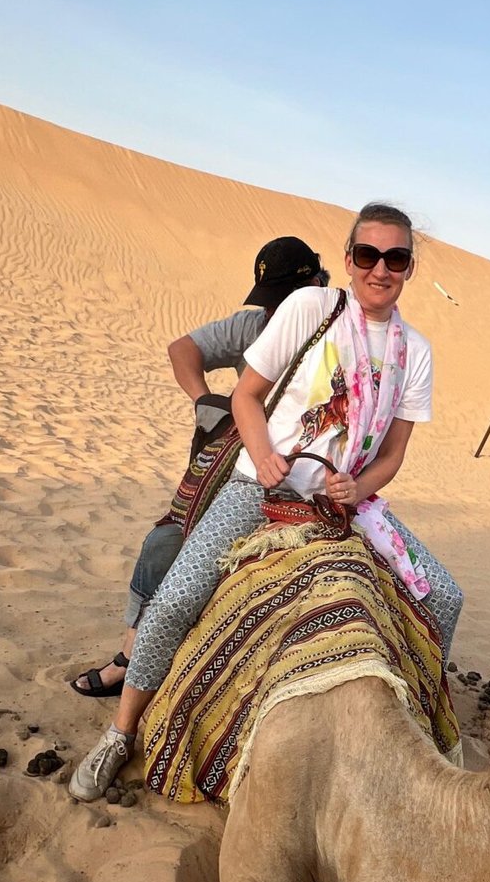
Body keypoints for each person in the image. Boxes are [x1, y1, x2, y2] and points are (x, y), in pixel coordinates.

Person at [69, 201, 462, 801]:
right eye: (368, 255)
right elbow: (247, 397)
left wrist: (360, 488)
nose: (380, 269)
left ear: (409, 267)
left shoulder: (416, 352)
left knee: (446, 597)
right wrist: (265, 455)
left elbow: (393, 453)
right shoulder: (310, 309)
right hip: (260, 486)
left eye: (395, 258)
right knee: (175, 599)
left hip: (343, 504)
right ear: (348, 259)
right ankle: (120, 733)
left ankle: (422, 734)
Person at [67, 235, 327, 697]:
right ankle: (131, 657)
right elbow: (182, 349)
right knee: (166, 541)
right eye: (269, 301)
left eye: (282, 299)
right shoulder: (258, 326)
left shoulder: (340, 336)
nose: (273, 311)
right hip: (244, 468)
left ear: (313, 288)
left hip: (314, 478)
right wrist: (205, 400)